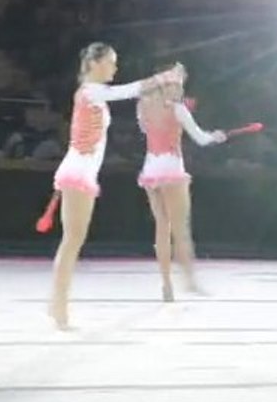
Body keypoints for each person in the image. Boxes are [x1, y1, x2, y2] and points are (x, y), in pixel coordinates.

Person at [49, 42, 185, 329]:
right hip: (78, 171)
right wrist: (164, 78)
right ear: (95, 63)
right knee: (72, 241)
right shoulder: (90, 90)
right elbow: (128, 91)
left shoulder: (92, 93)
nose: (115, 67)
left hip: (82, 171)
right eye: (111, 62)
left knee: (73, 240)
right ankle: (58, 307)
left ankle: (56, 303)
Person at [137, 86, 226, 301]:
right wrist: (216, 136)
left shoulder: (143, 105)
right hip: (171, 169)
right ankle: (190, 281)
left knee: (161, 228)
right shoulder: (177, 109)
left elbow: (144, 129)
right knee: (180, 230)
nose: (180, 88)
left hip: (151, 169)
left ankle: (167, 285)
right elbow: (200, 138)